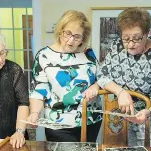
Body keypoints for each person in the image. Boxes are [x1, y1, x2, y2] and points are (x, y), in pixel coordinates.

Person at [96, 7, 151, 147]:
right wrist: (121, 92)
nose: (130, 44)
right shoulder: (117, 46)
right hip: (119, 117)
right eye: (126, 38)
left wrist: (148, 112)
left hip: (148, 121)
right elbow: (101, 75)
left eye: (137, 38)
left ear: (147, 34)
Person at [28, 10, 102, 142]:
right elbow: (38, 90)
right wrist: (34, 113)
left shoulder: (88, 53)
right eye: (68, 33)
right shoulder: (44, 56)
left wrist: (96, 86)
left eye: (77, 36)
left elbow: (101, 78)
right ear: (60, 30)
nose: (71, 40)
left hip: (91, 120)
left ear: (83, 38)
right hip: (58, 124)